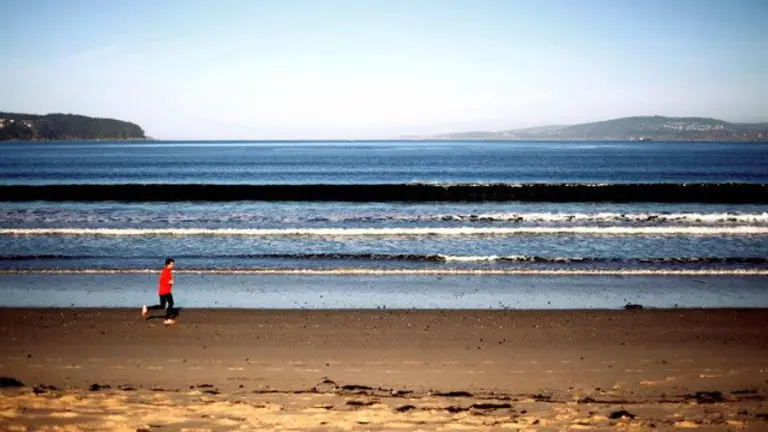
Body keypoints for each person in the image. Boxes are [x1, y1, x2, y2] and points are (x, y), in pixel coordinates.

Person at [142, 257, 177, 325]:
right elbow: (161, 280)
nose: (173, 265)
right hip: (165, 291)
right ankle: (167, 319)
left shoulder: (167, 270)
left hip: (163, 291)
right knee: (171, 303)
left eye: (173, 264)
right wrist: (169, 282)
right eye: (172, 264)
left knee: (162, 306)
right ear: (168, 264)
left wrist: (169, 282)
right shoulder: (166, 271)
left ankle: (147, 308)